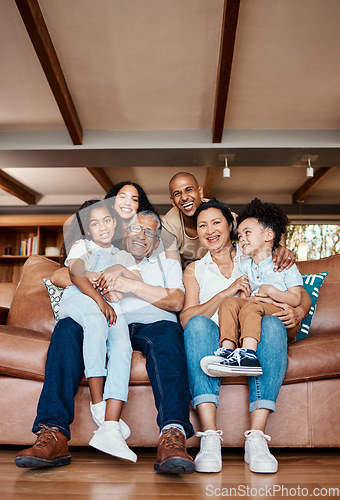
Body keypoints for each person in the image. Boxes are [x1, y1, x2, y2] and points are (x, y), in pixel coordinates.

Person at [14, 210, 195, 474]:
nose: (141, 236)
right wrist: (98, 276)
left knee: (170, 336)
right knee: (66, 328)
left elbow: (176, 301)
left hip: (153, 325)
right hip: (108, 320)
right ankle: (53, 433)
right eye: (135, 229)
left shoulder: (166, 264)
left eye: (149, 232)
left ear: (157, 242)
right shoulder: (104, 254)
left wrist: (128, 284)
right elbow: (63, 276)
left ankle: (172, 435)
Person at [180, 199, 311, 474]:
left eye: (217, 222)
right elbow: (186, 317)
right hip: (215, 339)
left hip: (259, 333)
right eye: (202, 225)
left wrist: (297, 312)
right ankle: (211, 437)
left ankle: (257, 439)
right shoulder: (195, 269)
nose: (210, 230)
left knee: (273, 325)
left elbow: (301, 295)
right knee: (197, 325)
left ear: (231, 226)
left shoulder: (253, 254)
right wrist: (226, 292)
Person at [59, 199, 142, 462]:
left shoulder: (125, 256)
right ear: (87, 229)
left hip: (111, 304)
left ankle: (110, 426)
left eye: (107, 220)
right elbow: (76, 276)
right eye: (94, 223)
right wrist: (100, 298)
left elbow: (137, 282)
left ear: (115, 223)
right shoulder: (81, 247)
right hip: (80, 298)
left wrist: (116, 269)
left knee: (122, 345)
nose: (102, 227)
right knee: (97, 320)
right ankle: (98, 404)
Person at [203, 198, 303, 378]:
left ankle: (248, 355)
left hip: (281, 317)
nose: (242, 239)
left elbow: (296, 299)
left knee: (251, 306)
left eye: (247, 233)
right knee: (229, 302)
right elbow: (243, 299)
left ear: (268, 236)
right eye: (240, 236)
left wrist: (271, 292)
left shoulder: (285, 264)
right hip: (257, 310)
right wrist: (254, 299)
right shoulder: (245, 266)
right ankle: (227, 350)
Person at [162, 172, 296, 270]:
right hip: (190, 270)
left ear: (200, 192)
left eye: (189, 190)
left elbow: (255, 234)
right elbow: (173, 268)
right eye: (177, 193)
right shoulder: (168, 226)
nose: (184, 197)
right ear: (172, 201)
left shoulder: (219, 213)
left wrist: (277, 248)